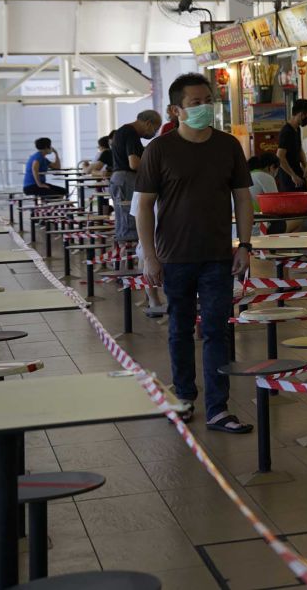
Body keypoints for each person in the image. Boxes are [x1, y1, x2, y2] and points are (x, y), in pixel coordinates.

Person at [135, 72, 255, 434]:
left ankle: (218, 408)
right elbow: (143, 207)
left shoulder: (228, 145)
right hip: (174, 257)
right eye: (196, 103)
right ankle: (184, 398)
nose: (205, 108)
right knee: (180, 330)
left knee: (218, 331)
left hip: (218, 256)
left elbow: (243, 198)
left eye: (208, 101)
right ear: (176, 110)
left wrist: (245, 245)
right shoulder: (159, 149)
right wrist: (149, 255)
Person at [109, 110, 163, 247]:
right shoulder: (131, 132)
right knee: (130, 220)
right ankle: (130, 259)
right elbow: (134, 163)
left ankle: (123, 259)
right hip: (126, 178)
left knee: (123, 218)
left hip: (120, 178)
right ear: (148, 123)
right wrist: (155, 170)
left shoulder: (124, 131)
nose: (154, 133)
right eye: (155, 129)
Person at [276, 99, 307, 192]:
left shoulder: (297, 129)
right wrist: (293, 175)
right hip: (288, 176)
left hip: (297, 172)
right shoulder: (286, 132)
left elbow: (299, 149)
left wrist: (305, 166)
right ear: (301, 115)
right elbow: (280, 156)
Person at [248, 152, 286, 234]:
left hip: (240, 226)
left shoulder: (249, 174)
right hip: (257, 226)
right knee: (291, 222)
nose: (276, 174)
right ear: (272, 167)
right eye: (277, 171)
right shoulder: (266, 177)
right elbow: (276, 204)